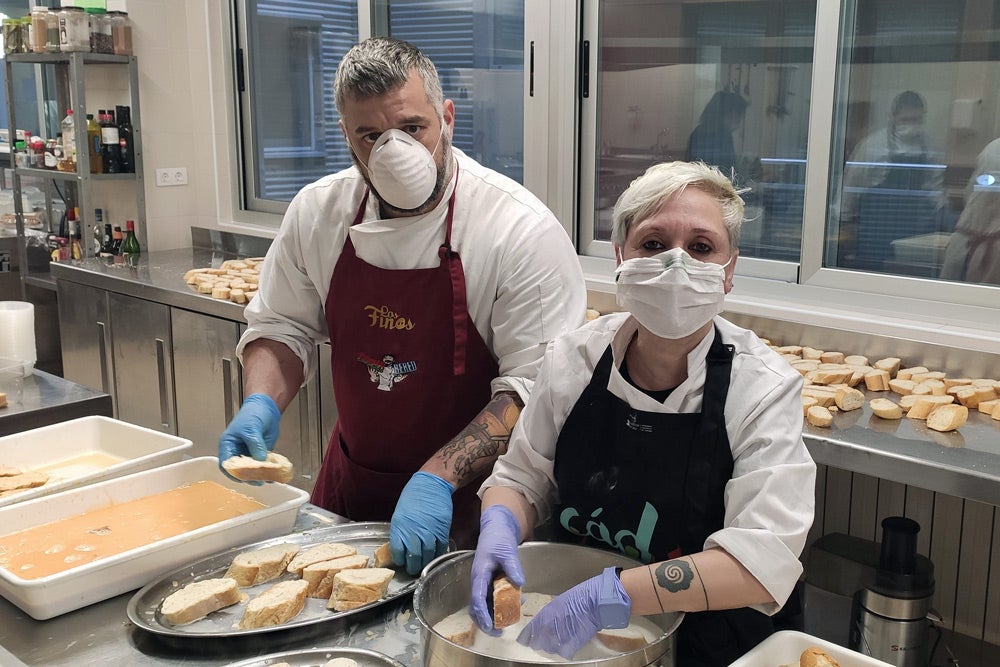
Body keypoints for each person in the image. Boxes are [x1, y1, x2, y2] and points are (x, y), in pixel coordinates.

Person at [218, 37, 587, 575]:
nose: (394, 151)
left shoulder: (517, 231)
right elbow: (281, 324)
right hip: (353, 483)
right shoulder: (319, 213)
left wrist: (438, 476)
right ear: (346, 136)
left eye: (413, 128)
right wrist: (260, 403)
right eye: (371, 135)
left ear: (448, 118)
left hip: (476, 504)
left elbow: (534, 390)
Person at [469, 161, 815, 667]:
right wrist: (499, 526)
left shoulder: (762, 387)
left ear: (729, 271)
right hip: (578, 637)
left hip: (716, 644)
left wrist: (609, 597)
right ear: (619, 257)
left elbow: (761, 562)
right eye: (653, 244)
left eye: (701, 247)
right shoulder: (574, 359)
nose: (676, 264)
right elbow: (522, 478)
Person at [840, 90, 949, 268]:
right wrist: (844, 219)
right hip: (875, 227)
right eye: (906, 119)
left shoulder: (931, 146)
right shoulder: (873, 145)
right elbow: (852, 184)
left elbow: (934, 188)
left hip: (913, 228)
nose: (911, 125)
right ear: (892, 116)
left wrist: (943, 214)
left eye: (916, 120)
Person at [940, 137, 1000, 285]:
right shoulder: (994, 149)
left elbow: (971, 190)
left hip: (968, 237)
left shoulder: (993, 147)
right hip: (979, 245)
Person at [686, 91, 750, 184]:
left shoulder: (698, 132)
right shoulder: (723, 136)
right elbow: (727, 170)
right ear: (728, 114)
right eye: (739, 116)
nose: (739, 121)